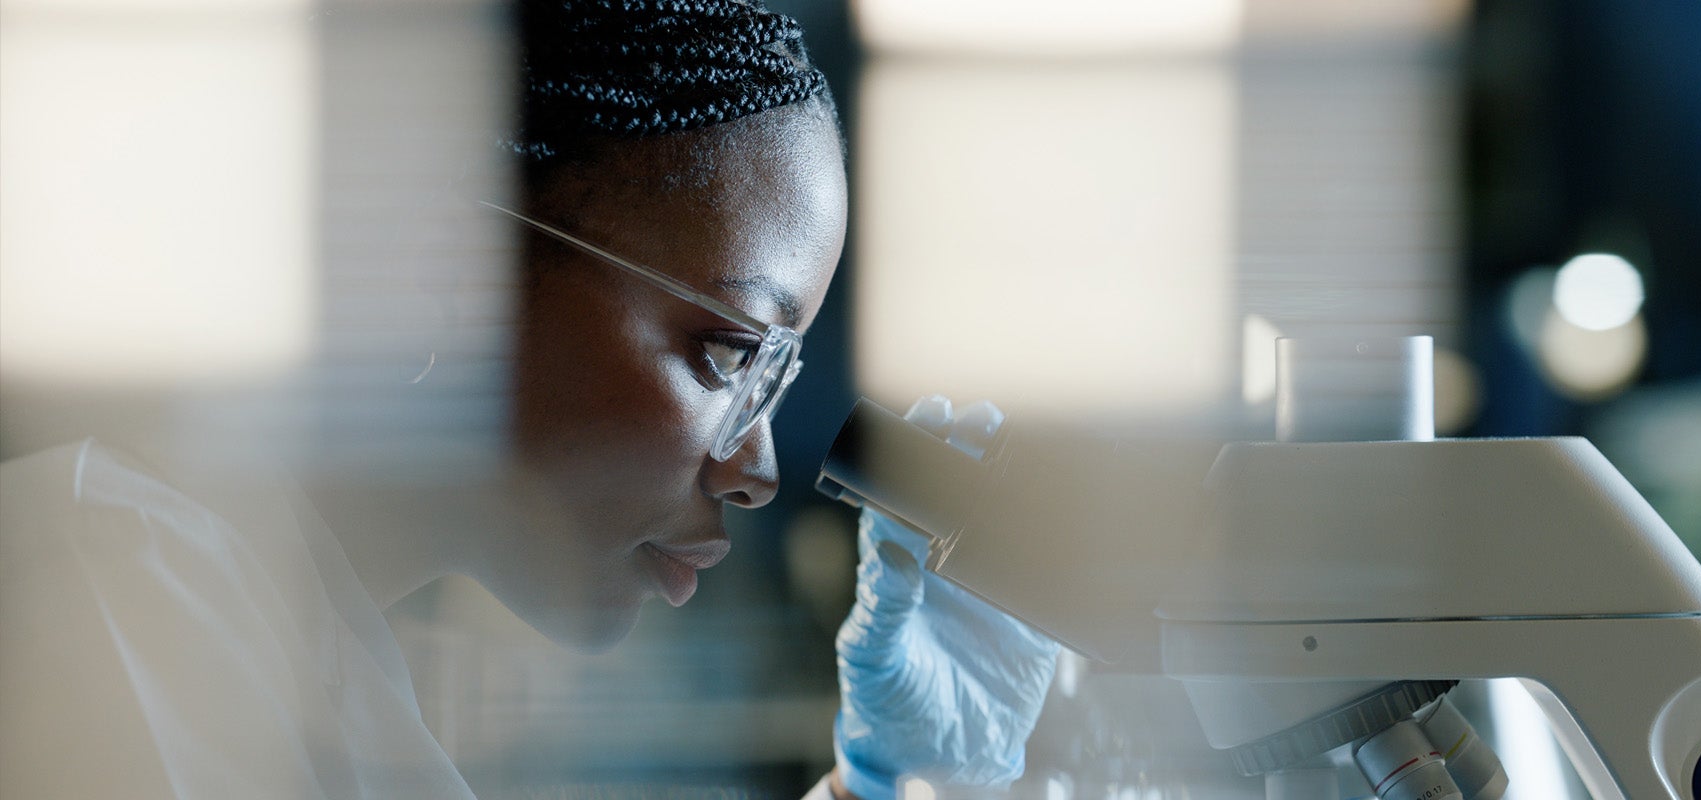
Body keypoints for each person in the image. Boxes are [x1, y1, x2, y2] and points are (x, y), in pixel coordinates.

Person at [0, 2, 1056, 798]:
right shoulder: (111, 582)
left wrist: (894, 780)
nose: (759, 469)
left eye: (780, 378)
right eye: (730, 354)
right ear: (455, 276)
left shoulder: (309, 650)